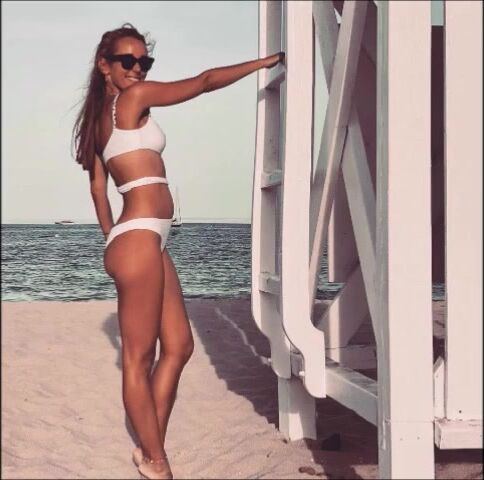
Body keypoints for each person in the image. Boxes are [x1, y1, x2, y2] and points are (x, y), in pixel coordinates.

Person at [72, 23, 284, 480]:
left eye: (144, 61)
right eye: (127, 60)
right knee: (137, 359)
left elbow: (97, 188)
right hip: (138, 238)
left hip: (143, 238)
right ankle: (158, 463)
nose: (137, 69)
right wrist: (264, 63)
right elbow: (204, 82)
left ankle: (150, 450)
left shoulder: (97, 119)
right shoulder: (131, 100)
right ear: (104, 65)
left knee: (180, 346)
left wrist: (110, 235)